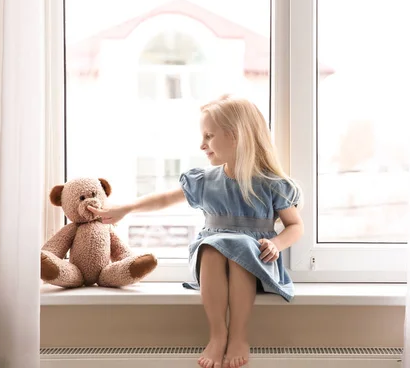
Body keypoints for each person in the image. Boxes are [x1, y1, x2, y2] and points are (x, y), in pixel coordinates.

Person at [88, 94, 304, 368]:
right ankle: (218, 333)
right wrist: (127, 208)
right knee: (213, 247)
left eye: (209, 136)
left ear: (236, 136)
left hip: (256, 262)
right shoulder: (206, 181)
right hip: (213, 261)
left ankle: (238, 334)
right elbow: (165, 199)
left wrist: (277, 244)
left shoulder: (270, 184)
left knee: (238, 250)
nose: (202, 145)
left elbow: (295, 226)